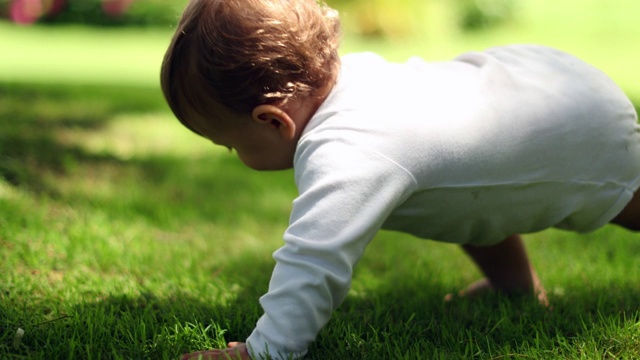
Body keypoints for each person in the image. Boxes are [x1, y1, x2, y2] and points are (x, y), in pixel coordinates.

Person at [160, 0, 640, 359]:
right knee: (462, 197)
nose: (235, 156)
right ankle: (514, 287)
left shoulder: (346, 149)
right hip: (544, 82)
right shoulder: (357, 77)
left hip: (579, 128)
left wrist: (262, 350)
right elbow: (467, 192)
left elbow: (315, 259)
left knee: (629, 203)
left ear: (272, 120)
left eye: (230, 144)